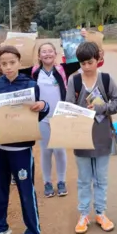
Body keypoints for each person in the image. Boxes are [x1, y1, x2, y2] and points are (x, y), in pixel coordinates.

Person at [0, 46, 49, 234]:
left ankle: (32, 231)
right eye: (3, 64)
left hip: (21, 148)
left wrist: (43, 105)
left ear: (19, 62)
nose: (8, 67)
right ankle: (0, 227)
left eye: (12, 63)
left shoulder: (30, 84)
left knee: (25, 190)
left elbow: (39, 112)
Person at [65, 42, 117, 234]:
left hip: (102, 137)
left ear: (98, 60)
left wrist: (100, 108)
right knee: (83, 179)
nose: (87, 67)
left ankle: (100, 212)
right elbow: (68, 106)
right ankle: (83, 215)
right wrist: (78, 112)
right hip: (80, 137)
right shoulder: (73, 81)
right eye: (83, 63)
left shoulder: (106, 80)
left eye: (90, 62)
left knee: (101, 179)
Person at [28, 42, 81, 198]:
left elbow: (79, 59)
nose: (47, 54)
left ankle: (61, 181)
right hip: (42, 118)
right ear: (39, 56)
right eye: (43, 52)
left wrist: (81, 40)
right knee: (46, 150)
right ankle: (47, 182)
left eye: (50, 51)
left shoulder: (62, 69)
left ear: (56, 54)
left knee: (59, 149)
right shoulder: (34, 72)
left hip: (60, 116)